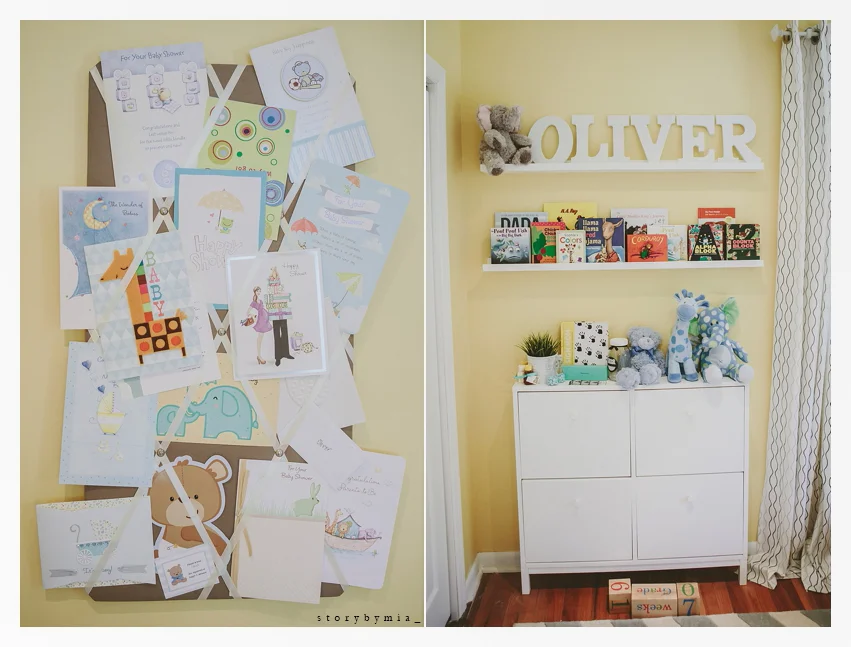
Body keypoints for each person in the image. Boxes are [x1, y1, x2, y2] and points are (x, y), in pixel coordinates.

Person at [247, 286, 272, 364]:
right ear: (255, 291)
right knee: (260, 338)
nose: (259, 292)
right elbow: (247, 312)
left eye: (259, 291)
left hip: (264, 320)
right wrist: (254, 316)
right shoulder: (253, 302)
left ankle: (259, 355)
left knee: (261, 338)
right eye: (257, 291)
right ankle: (259, 356)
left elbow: (263, 309)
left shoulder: (260, 300)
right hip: (260, 320)